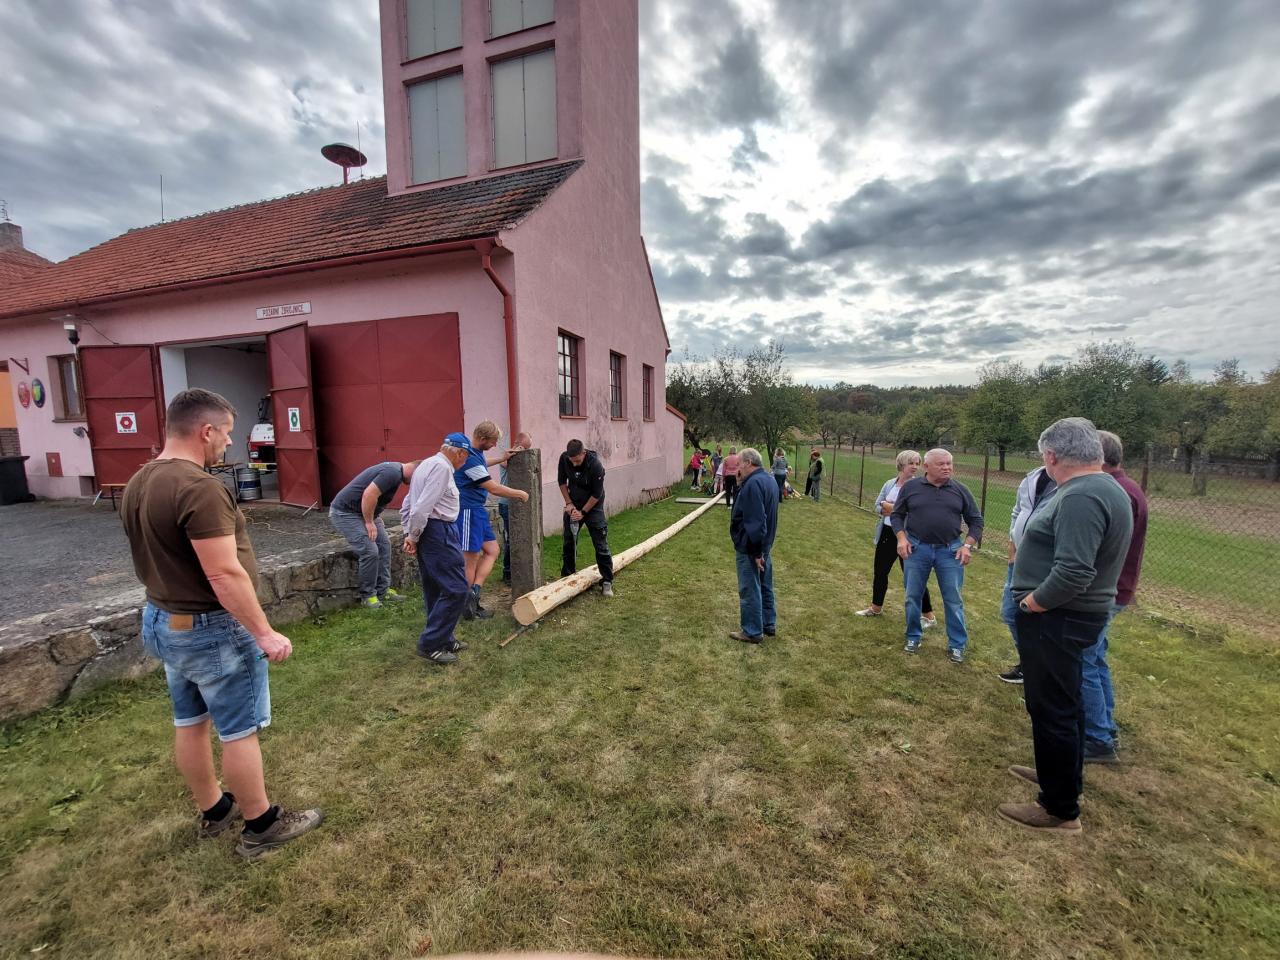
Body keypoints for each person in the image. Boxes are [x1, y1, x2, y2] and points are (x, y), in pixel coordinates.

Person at [120, 389, 322, 859]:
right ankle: (261, 824)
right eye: (227, 433)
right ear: (205, 430)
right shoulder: (199, 488)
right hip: (210, 629)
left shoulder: (139, 480)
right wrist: (263, 632)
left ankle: (214, 809)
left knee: (190, 721)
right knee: (239, 729)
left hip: (164, 620)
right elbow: (223, 573)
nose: (229, 442)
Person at [999, 418, 1134, 835]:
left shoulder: (1082, 495)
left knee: (1052, 708)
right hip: (1069, 615)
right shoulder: (1102, 487)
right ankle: (1057, 775)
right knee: (1066, 702)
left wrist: (1032, 603)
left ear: (1052, 455)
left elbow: (1074, 570)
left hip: (1058, 616)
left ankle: (1058, 808)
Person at [1080, 430, 1149, 763]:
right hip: (1115, 588)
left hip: (1104, 591)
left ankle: (1098, 738)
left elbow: (1098, 550)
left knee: (1083, 660)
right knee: (1095, 657)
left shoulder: (1115, 492)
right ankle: (1104, 725)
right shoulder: (1127, 488)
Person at [891, 448, 983, 662]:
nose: (946, 468)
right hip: (917, 549)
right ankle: (913, 636)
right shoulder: (911, 487)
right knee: (912, 596)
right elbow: (897, 515)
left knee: (953, 599)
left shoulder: (960, 490)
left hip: (950, 551)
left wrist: (967, 546)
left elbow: (976, 520)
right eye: (941, 464)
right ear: (926, 466)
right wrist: (902, 539)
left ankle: (957, 644)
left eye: (949, 464)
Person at [401, 435, 473, 665]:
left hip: (429, 531)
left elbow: (408, 503)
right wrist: (413, 535)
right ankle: (431, 643)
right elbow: (421, 507)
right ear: (459, 453)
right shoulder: (442, 468)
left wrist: (410, 533)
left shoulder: (426, 465)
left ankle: (444, 638)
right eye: (466, 457)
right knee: (456, 588)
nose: (465, 461)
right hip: (438, 531)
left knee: (435, 588)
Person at [452, 421, 529, 619]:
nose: (495, 445)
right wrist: (519, 493)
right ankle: (466, 607)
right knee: (470, 559)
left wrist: (502, 458)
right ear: (482, 438)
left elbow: (483, 463)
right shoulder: (469, 459)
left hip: (477, 510)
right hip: (468, 511)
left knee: (493, 550)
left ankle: (474, 593)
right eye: (493, 441)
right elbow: (493, 488)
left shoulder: (474, 453)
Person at [856, 450, 936, 628]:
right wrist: (892, 509)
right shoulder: (890, 483)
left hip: (908, 537)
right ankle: (875, 608)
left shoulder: (919, 486)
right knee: (880, 572)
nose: (915, 467)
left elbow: (915, 511)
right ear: (901, 464)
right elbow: (877, 506)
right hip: (886, 534)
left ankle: (929, 617)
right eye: (911, 463)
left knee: (913, 577)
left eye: (917, 463)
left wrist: (891, 508)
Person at [996, 465, 1059, 684]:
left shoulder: (1069, 482)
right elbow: (1017, 512)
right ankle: (1029, 663)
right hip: (1018, 561)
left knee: (1039, 618)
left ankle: (1041, 668)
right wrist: (1012, 546)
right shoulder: (1032, 478)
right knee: (1010, 613)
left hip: (1044, 565)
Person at [328, 459, 420, 608]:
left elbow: (374, 497)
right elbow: (369, 494)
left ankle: (383, 591)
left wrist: (375, 515)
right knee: (370, 551)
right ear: (416, 471)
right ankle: (368, 596)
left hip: (362, 512)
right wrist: (369, 522)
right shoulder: (393, 472)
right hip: (345, 512)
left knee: (384, 546)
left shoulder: (396, 473)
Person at [729, 448, 778, 643]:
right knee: (765, 584)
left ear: (749, 463)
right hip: (764, 544)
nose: (737, 468)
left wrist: (757, 553)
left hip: (751, 547)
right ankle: (768, 623)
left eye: (739, 464)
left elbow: (756, 521)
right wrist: (739, 485)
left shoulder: (753, 484)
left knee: (750, 588)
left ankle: (752, 631)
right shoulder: (769, 480)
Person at [559, 439, 614, 597]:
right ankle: (567, 577)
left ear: (583, 453)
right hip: (573, 504)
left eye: (577, 460)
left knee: (600, 544)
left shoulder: (595, 465)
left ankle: (607, 581)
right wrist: (569, 504)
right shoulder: (565, 458)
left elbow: (597, 494)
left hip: (593, 506)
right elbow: (562, 482)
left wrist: (583, 512)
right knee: (569, 542)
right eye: (572, 461)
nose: (574, 464)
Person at [497, 432, 533, 585]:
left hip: (517, 502)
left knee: (520, 537)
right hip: (507, 504)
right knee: (511, 539)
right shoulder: (507, 458)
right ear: (517, 444)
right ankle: (508, 573)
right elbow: (507, 464)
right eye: (524, 448)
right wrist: (516, 452)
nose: (526, 452)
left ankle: (519, 571)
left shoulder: (519, 457)